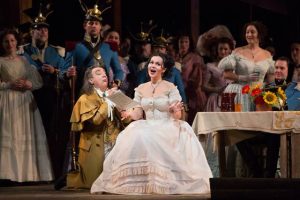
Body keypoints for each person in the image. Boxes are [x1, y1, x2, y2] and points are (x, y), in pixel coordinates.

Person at [91, 52, 212, 194]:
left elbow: (179, 115)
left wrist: (174, 111)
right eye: (151, 62)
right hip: (148, 124)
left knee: (149, 136)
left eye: (157, 64)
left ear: (163, 69)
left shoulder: (171, 88)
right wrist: (129, 112)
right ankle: (141, 183)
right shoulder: (141, 88)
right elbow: (138, 113)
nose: (153, 66)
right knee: (136, 134)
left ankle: (164, 182)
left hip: (168, 124)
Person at [22, 7, 70, 180]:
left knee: (51, 136)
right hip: (28, 99)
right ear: (31, 32)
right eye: (38, 29)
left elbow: (65, 73)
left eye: (45, 29)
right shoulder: (23, 51)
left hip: (51, 98)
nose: (42, 32)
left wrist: (55, 70)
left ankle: (52, 172)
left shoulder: (58, 52)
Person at [0, 29, 53, 182]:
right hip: (7, 101)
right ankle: (8, 174)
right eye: (6, 41)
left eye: (12, 40)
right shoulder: (1, 61)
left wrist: (29, 84)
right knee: (10, 135)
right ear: (2, 44)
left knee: (25, 134)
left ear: (17, 42)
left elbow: (37, 81)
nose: (10, 44)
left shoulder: (24, 60)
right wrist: (8, 85)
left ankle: (26, 174)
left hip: (24, 101)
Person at [66, 65, 124, 189]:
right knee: (98, 184)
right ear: (91, 80)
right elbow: (96, 120)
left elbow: (127, 120)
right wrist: (108, 101)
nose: (104, 75)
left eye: (105, 73)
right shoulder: (85, 99)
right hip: (96, 148)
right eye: (98, 73)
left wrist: (125, 109)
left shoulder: (113, 95)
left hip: (114, 144)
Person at [65, 3, 124, 99]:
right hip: (83, 93)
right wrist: (68, 73)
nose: (94, 26)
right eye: (91, 23)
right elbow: (64, 70)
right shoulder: (75, 47)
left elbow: (118, 71)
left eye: (96, 23)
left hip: (105, 93)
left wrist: (116, 83)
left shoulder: (109, 48)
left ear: (101, 27)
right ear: (85, 25)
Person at [218, 21, 275, 112]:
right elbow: (226, 74)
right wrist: (244, 77)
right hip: (240, 93)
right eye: (247, 32)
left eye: (252, 32)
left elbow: (271, 80)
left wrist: (273, 94)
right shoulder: (238, 51)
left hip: (258, 95)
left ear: (259, 34)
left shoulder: (267, 54)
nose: (249, 34)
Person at [137, 33, 187, 104]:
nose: (158, 50)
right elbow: (139, 90)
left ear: (166, 51)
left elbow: (181, 91)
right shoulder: (144, 68)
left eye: (161, 48)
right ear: (152, 50)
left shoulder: (174, 70)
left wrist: (184, 106)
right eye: (156, 48)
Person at [175, 33, 207, 124]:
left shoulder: (195, 58)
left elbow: (198, 78)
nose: (183, 44)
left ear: (189, 44)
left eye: (186, 42)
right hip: (177, 93)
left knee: (192, 121)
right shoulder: (174, 57)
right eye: (181, 42)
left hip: (192, 94)